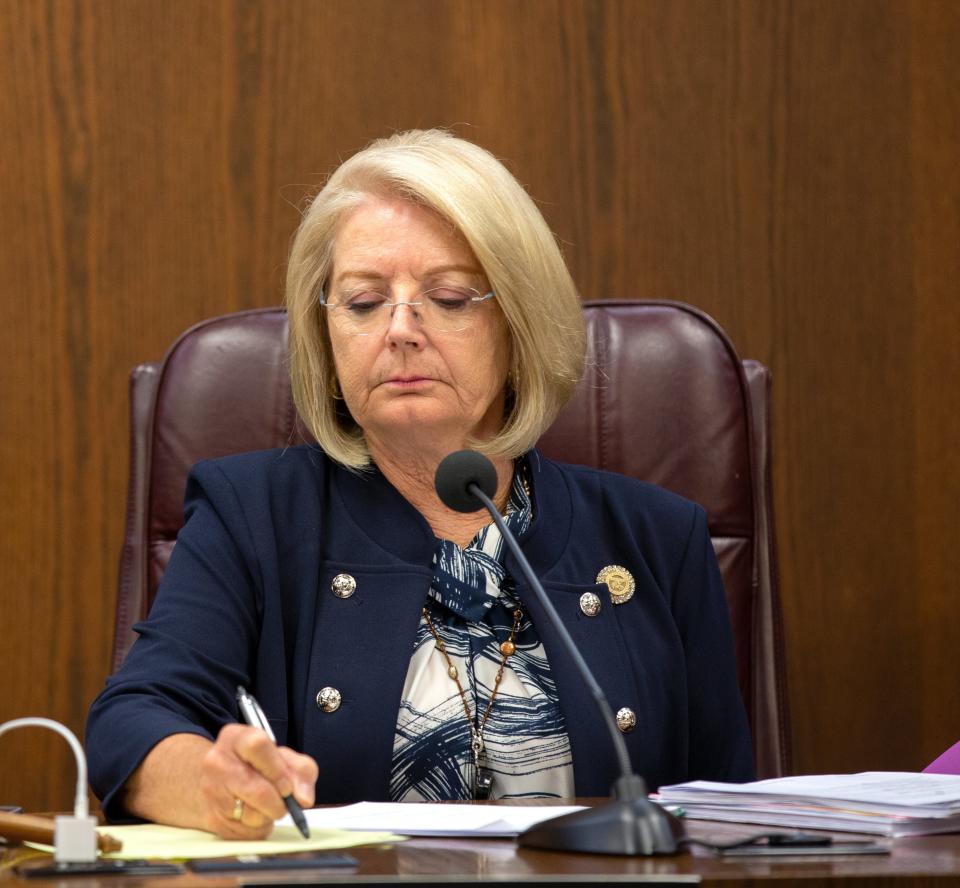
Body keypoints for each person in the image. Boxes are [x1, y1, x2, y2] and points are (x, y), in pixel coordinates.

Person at [86, 129, 753, 838]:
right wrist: (205, 779)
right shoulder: (251, 515)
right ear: (326, 335)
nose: (401, 328)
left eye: (451, 296)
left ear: (517, 324)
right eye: (365, 302)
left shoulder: (655, 538)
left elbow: (729, 820)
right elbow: (131, 724)